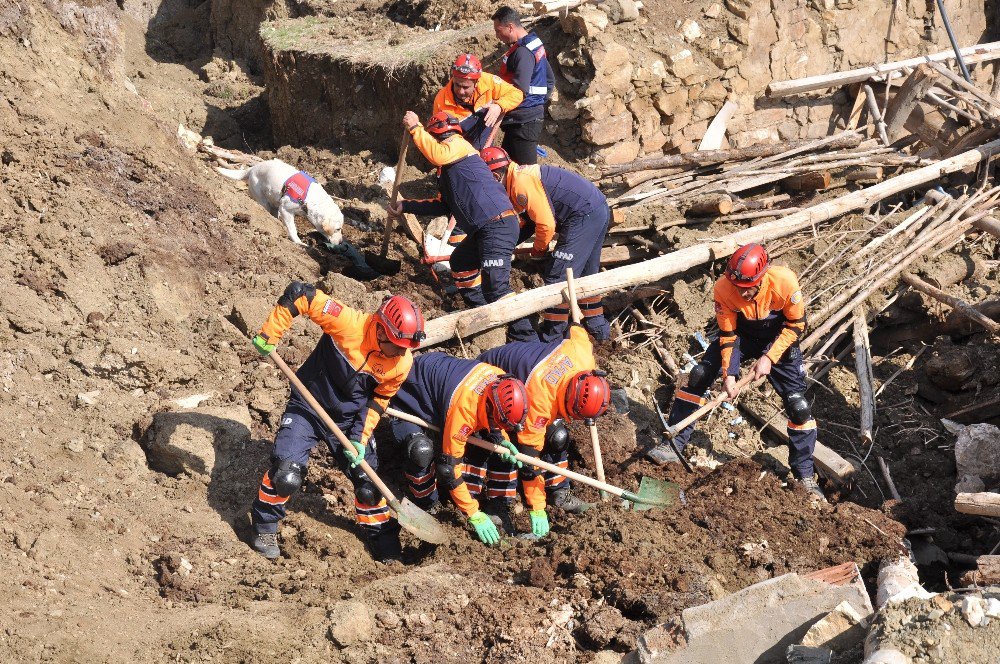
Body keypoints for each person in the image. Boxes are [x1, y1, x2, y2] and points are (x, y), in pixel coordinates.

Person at [249, 283, 425, 561]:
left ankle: (382, 539)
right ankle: (264, 526)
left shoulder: (401, 363)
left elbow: (378, 402)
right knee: (287, 475)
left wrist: (360, 438)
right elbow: (301, 295)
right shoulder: (348, 323)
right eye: (396, 346)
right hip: (307, 407)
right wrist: (271, 332)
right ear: (380, 329)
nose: (400, 353)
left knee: (369, 483)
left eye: (406, 348)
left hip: (347, 420)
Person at [647, 244, 824, 500]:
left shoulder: (785, 282)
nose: (741, 292)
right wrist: (729, 375)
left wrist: (769, 357)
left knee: (799, 406)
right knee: (699, 375)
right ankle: (674, 444)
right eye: (737, 287)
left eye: (747, 288)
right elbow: (728, 335)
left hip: (778, 337)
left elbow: (796, 324)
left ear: (762, 276)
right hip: (741, 335)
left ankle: (804, 475)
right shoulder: (723, 289)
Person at [388, 110, 535, 341]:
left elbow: (436, 154)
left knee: (497, 286)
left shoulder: (458, 146)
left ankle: (526, 339)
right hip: (487, 228)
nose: (442, 141)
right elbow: (442, 206)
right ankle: (483, 312)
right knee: (461, 262)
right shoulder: (451, 171)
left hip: (497, 225)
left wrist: (415, 129)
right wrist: (405, 207)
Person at [388, 352, 529, 544]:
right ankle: (428, 504)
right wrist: (473, 513)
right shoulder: (464, 410)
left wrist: (500, 438)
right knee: (421, 451)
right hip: (410, 397)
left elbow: (495, 420)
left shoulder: (500, 381)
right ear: (489, 407)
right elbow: (448, 470)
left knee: (497, 447)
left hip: (442, 384)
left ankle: (495, 503)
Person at [478, 323, 611, 521]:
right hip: (490, 382)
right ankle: (500, 501)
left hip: (530, 376)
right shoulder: (540, 400)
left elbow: (576, 331)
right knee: (507, 449)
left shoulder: (583, 354)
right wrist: (537, 508)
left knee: (558, 436)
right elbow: (530, 460)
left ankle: (559, 492)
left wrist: (576, 324)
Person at [481, 146, 610, 342]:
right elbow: (525, 219)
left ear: (495, 176)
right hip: (596, 208)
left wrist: (538, 250)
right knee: (586, 274)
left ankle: (552, 337)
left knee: (558, 275)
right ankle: (599, 331)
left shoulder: (521, 184)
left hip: (584, 214)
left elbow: (546, 224)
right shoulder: (516, 177)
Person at [492, 6, 555, 164]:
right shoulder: (534, 45)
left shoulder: (522, 53)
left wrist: (498, 106)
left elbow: (518, 90)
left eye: (499, 31)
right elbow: (550, 80)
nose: (497, 36)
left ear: (511, 27)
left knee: (527, 173)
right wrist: (538, 104)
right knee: (508, 167)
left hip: (523, 122)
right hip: (525, 119)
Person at [432, 52, 524, 150]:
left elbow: (517, 94)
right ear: (453, 79)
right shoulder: (441, 100)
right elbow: (437, 136)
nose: (461, 91)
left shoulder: (488, 81)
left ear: (476, 83)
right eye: (457, 85)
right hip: (461, 150)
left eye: (466, 87)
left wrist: (499, 106)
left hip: (485, 144)